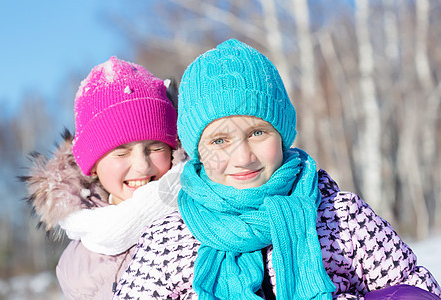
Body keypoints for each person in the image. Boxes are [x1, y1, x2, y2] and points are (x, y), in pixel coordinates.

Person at [113, 39, 441, 299]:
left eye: (257, 133)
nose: (242, 157)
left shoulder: (339, 217)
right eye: (219, 141)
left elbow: (413, 288)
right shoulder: (167, 241)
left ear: (282, 135)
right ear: (196, 152)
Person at [22, 56, 186, 299]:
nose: (142, 165)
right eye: (122, 152)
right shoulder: (76, 265)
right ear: (94, 166)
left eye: (155, 148)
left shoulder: (199, 214)